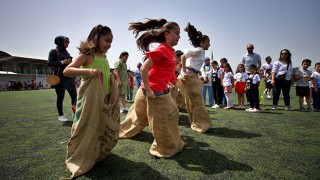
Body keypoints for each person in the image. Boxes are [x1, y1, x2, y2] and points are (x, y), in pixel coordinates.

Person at [119, 18, 185, 158]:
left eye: (179, 34)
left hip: (161, 90)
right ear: (167, 34)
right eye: (176, 33)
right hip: (153, 91)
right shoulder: (161, 50)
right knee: (161, 119)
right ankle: (163, 148)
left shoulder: (172, 52)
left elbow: (165, 71)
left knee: (170, 114)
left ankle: (172, 142)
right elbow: (144, 69)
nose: (179, 36)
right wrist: (148, 90)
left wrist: (171, 82)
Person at [63, 24, 120, 178]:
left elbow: (105, 78)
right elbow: (67, 70)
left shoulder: (104, 57)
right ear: (96, 38)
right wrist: (88, 71)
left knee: (101, 126)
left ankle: (96, 153)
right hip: (89, 100)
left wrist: (112, 79)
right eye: (106, 41)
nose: (108, 45)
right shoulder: (87, 54)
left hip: (103, 99)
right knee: (85, 125)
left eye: (110, 42)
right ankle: (79, 154)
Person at [177, 22, 212, 133]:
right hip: (189, 77)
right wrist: (183, 70)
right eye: (208, 42)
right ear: (202, 42)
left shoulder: (200, 52)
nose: (209, 45)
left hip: (192, 76)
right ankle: (199, 123)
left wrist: (199, 75)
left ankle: (198, 121)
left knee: (191, 100)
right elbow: (183, 56)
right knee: (194, 101)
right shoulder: (199, 50)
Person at [48, 36, 77, 122]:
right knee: (60, 97)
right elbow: (49, 63)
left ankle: (75, 112)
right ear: (60, 42)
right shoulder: (54, 51)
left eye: (68, 41)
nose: (68, 43)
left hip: (70, 77)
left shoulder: (66, 52)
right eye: (66, 41)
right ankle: (61, 115)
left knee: (74, 96)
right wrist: (63, 62)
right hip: (60, 78)